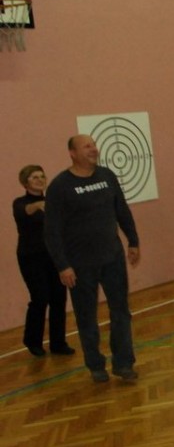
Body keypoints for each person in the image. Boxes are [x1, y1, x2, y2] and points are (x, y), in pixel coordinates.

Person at [44, 135, 140, 383]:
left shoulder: (107, 176)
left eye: (94, 145)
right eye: (87, 146)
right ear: (72, 153)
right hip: (79, 265)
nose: (93, 149)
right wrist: (62, 265)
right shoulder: (59, 186)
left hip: (112, 258)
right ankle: (96, 365)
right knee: (86, 317)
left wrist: (133, 240)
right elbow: (51, 231)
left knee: (121, 311)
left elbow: (122, 209)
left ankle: (123, 363)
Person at [13, 165, 74, 358]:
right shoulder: (20, 203)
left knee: (59, 298)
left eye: (42, 176)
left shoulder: (52, 202)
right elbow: (26, 210)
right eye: (34, 177)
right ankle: (33, 341)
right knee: (40, 298)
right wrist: (38, 205)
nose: (40, 180)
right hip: (31, 258)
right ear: (25, 183)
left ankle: (58, 343)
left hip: (53, 256)